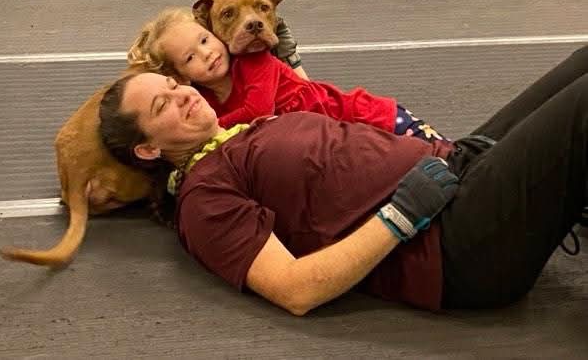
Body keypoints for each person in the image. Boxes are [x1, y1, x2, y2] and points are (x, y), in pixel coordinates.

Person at [97, 46, 588, 315]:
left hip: (456, 168)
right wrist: (400, 215)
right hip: (453, 243)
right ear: (148, 149)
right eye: (163, 105)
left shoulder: (242, 129)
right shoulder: (202, 197)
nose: (183, 95)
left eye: (174, 85)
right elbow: (295, 289)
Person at [127, 7, 446, 141]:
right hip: (337, 139)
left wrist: (211, 129)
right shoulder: (205, 100)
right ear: (181, 76)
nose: (207, 53)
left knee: (451, 162)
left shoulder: (253, 62)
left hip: (368, 117)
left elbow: (258, 110)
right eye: (190, 57)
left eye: (205, 40)